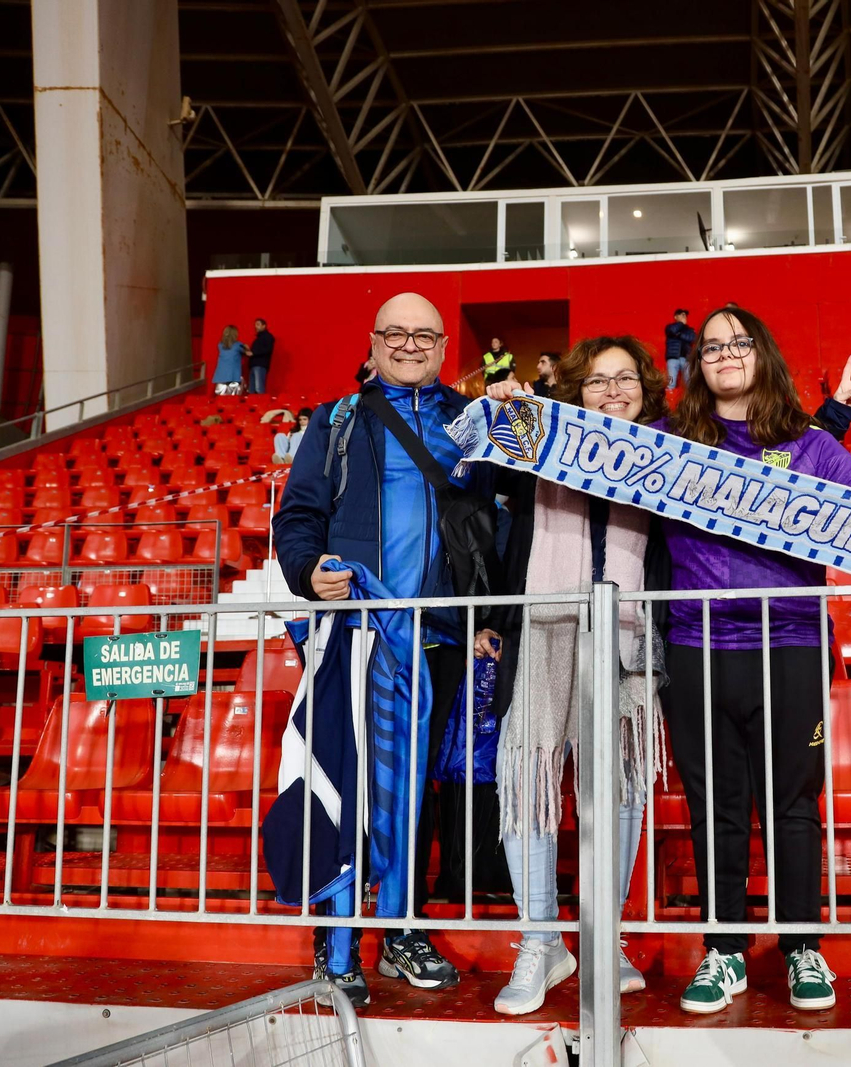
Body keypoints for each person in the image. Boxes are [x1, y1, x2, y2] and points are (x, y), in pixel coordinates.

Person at [655, 307, 851, 1016]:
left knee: (792, 804)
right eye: (713, 345)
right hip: (696, 648)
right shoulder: (666, 443)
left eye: (739, 342)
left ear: (763, 355)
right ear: (698, 364)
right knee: (714, 808)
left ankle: (801, 947)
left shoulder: (810, 446)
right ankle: (724, 951)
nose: (725, 353)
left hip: (787, 644)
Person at [274, 292, 498, 1006]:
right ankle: (337, 938)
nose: (409, 344)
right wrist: (308, 571)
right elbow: (299, 517)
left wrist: (485, 616)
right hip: (358, 638)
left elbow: (502, 518)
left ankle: (400, 929)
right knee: (350, 784)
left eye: (424, 334)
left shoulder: (468, 424)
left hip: (435, 641)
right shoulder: (336, 422)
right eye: (395, 333)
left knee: (415, 800)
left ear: (442, 347)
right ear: (372, 343)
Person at [472, 336, 669, 1015]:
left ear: (646, 388)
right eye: (595, 380)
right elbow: (479, 480)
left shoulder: (668, 455)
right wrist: (500, 408)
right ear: (574, 390)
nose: (611, 390)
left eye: (625, 378)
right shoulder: (541, 441)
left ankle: (602, 936)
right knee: (529, 774)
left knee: (618, 787)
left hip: (630, 629)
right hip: (542, 621)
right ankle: (540, 940)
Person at [664, 308, 697, 389]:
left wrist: (678, 335)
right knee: (670, 384)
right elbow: (672, 331)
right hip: (673, 358)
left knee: (689, 384)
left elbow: (692, 338)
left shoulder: (689, 329)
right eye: (682, 315)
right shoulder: (670, 327)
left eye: (685, 315)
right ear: (676, 317)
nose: (684, 316)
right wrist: (680, 323)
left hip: (685, 359)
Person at [213, 325, 248, 396]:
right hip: (233, 377)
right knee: (233, 400)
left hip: (221, 377)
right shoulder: (238, 345)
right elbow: (247, 352)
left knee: (221, 401)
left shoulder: (220, 345)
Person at [249, 318, 275, 394]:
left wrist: (253, 353)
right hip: (253, 365)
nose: (255, 327)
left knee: (258, 388)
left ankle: (261, 404)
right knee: (252, 389)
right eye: (255, 325)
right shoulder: (257, 339)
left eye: (258, 324)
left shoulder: (268, 337)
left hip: (260, 365)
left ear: (264, 326)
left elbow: (267, 349)